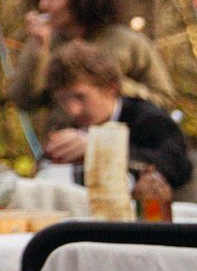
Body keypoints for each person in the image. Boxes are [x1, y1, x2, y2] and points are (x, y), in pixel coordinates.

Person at [8, 0, 174, 127]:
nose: (43, 5)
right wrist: (38, 52)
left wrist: (109, 85)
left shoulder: (128, 42)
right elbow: (24, 101)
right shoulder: (44, 42)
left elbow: (163, 101)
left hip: (121, 142)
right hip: (64, 143)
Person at [41, 40, 192, 192]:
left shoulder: (148, 118)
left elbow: (177, 167)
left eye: (80, 97)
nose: (73, 110)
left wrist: (100, 148)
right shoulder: (66, 125)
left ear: (110, 88)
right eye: (63, 100)